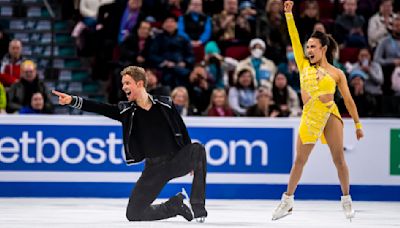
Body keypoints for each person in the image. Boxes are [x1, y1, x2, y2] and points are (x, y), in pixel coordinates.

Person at [52, 66, 207, 222]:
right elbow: (100, 108)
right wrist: (72, 100)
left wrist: (192, 160)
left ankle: (198, 207)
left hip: (175, 161)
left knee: (198, 149)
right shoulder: (126, 111)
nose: (124, 87)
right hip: (153, 169)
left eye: (127, 83)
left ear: (139, 84)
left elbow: (181, 129)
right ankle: (174, 206)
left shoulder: (165, 104)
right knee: (134, 214)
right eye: (123, 84)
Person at [272, 1, 364, 221]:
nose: (308, 50)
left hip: (330, 114)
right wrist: (289, 15)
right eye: (307, 47)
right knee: (299, 161)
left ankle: (346, 199)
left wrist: (358, 125)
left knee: (339, 159)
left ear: (323, 49)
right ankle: (287, 201)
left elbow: (349, 101)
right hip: (310, 117)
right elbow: (294, 38)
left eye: (313, 46)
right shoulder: (303, 65)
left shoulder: (337, 73)